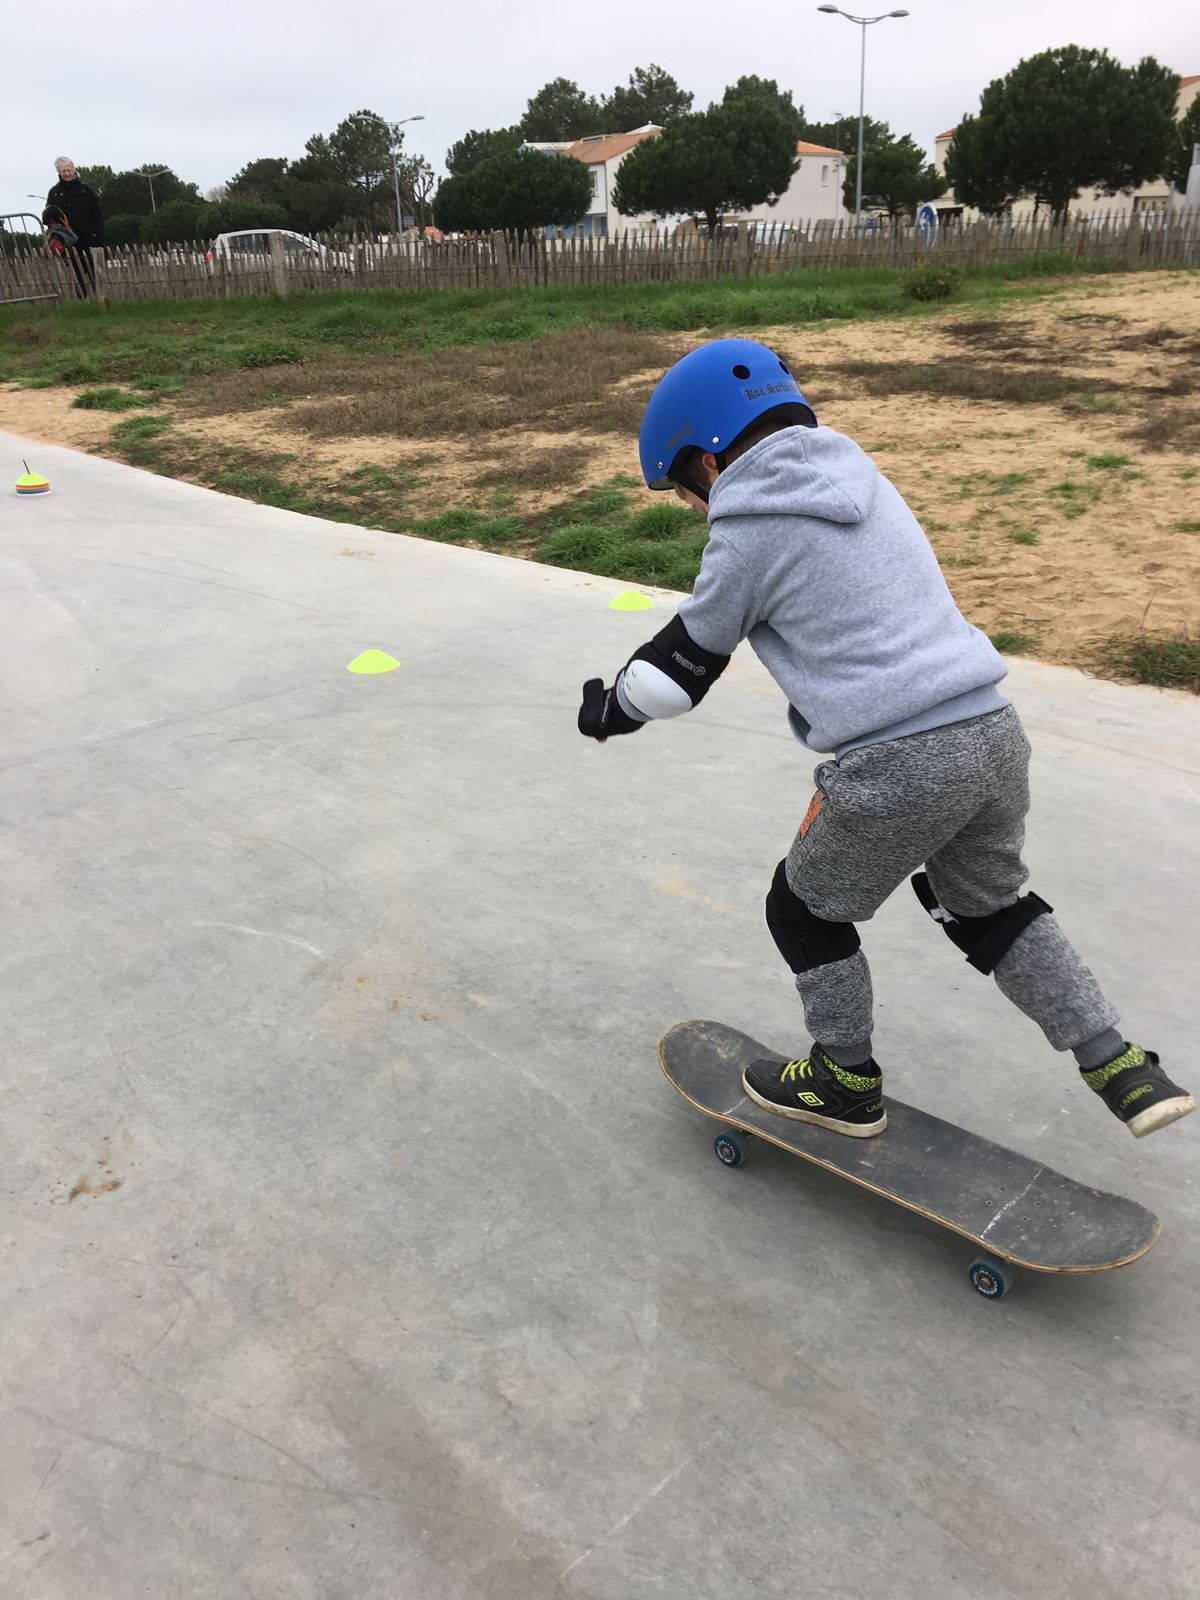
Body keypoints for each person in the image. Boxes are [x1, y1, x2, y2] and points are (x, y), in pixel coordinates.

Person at [577, 338, 1194, 1142]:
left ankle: (843, 1082)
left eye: (685, 490)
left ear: (707, 459)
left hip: (901, 761)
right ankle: (1120, 1064)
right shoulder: (863, 480)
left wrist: (608, 709)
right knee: (989, 908)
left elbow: (675, 673)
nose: (694, 508)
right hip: (993, 732)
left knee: (801, 910)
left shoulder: (749, 527)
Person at [45, 156, 103, 296]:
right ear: (59, 172)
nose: (67, 173)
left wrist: (97, 234)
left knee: (95, 274)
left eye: (68, 170)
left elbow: (97, 214)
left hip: (89, 238)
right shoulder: (54, 193)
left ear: (73, 169)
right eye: (63, 171)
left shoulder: (85, 191)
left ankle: (100, 300)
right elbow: (49, 218)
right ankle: (82, 302)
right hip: (69, 242)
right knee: (77, 276)